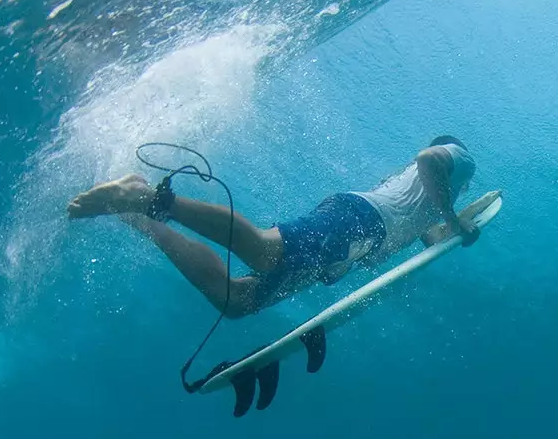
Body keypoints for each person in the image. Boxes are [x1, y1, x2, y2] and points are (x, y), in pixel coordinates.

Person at [67, 136, 479, 318]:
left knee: (236, 301)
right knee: (264, 252)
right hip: (357, 219)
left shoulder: (435, 207)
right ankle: (155, 201)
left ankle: (137, 214)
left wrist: (461, 229)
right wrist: (453, 217)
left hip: (350, 244)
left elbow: (429, 238)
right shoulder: (460, 161)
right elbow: (429, 158)